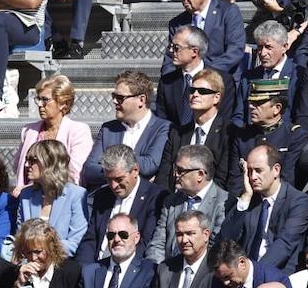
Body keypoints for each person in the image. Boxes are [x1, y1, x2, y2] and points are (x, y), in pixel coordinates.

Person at [156, 67, 241, 196]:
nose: (195, 94)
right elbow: (164, 177)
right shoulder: (177, 133)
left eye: (202, 91)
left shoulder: (229, 133)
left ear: (216, 97)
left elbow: (223, 179)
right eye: (192, 90)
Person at [76, 145, 167, 265]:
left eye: (119, 179)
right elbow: (91, 239)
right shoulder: (102, 195)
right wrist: (86, 271)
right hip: (97, 268)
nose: (113, 186)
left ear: (135, 170)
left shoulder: (155, 197)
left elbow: (146, 243)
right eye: (109, 179)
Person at [83, 70, 172, 188]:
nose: (114, 101)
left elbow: (149, 165)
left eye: (120, 97)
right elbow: (89, 170)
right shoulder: (108, 129)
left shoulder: (163, 128)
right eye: (113, 96)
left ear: (141, 100)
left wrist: (108, 164)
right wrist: (122, 174)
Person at [147, 146, 231, 262]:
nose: (175, 174)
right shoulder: (171, 201)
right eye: (175, 168)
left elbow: (216, 248)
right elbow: (158, 243)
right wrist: (160, 270)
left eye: (181, 171)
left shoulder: (224, 202)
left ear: (200, 175)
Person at [164, 0, 247, 79]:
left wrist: (203, 74)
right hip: (187, 82)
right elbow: (170, 59)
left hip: (222, 80)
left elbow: (235, 51)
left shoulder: (228, 13)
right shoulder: (177, 23)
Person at [13, 73, 93, 192]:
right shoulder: (28, 130)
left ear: (63, 103)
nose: (40, 105)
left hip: (61, 196)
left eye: (45, 100)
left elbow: (75, 173)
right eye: (38, 99)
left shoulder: (78, 131)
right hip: (26, 197)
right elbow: (18, 167)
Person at [13, 139, 88, 258]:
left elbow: (75, 242)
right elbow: (20, 237)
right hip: (29, 262)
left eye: (33, 160)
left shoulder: (76, 195)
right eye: (27, 160)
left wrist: (41, 253)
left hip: (62, 265)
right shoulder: (26, 195)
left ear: (50, 163)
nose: (27, 165)